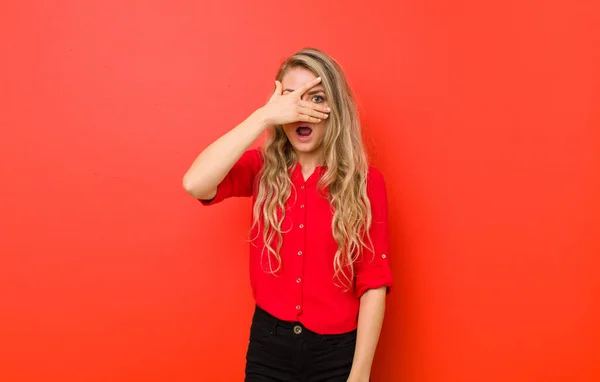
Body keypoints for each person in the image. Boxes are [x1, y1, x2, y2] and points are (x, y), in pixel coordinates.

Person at [183, 48, 392, 382]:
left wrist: (360, 374)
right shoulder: (262, 168)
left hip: (336, 353)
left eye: (315, 98)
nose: (300, 111)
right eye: (291, 99)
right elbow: (195, 183)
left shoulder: (366, 184)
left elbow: (373, 283)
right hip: (270, 347)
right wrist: (263, 116)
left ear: (334, 109)